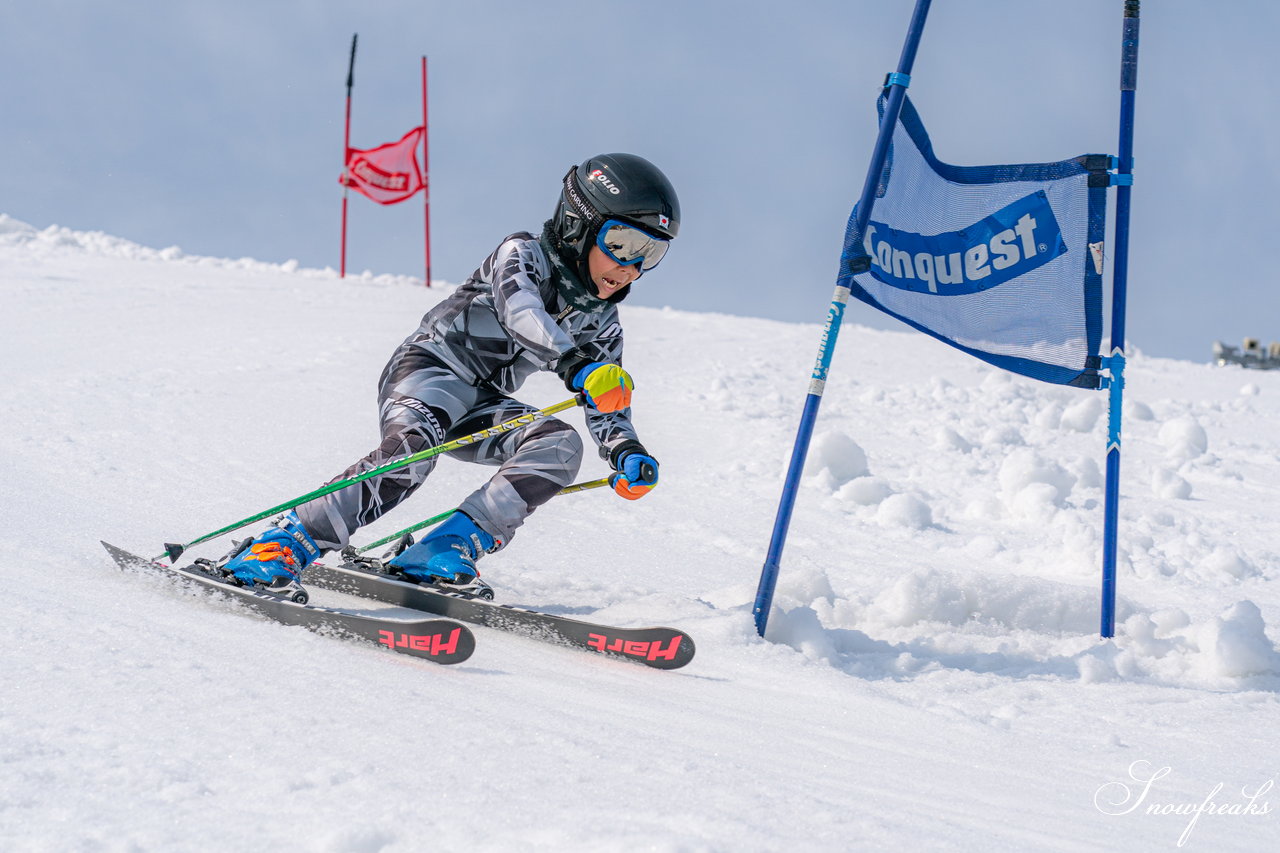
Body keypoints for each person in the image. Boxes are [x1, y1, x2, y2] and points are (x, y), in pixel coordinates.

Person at [221, 153, 680, 596]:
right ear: (579, 226)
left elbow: (609, 400)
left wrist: (625, 449)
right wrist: (577, 366)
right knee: (413, 453)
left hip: (482, 403)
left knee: (558, 446)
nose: (632, 267)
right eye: (622, 244)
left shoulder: (600, 323)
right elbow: (521, 311)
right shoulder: (522, 255)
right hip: (431, 370)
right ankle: (282, 543)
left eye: (651, 253)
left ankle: (442, 548)